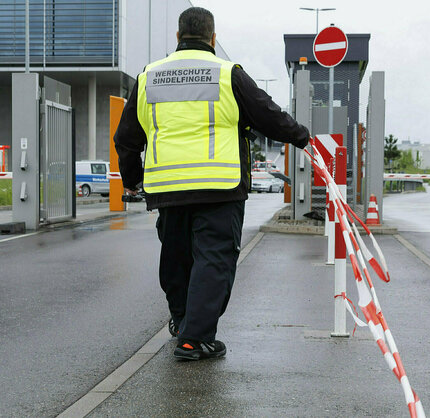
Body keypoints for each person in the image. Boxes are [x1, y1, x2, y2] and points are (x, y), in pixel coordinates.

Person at [114, 7, 310, 360]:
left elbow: (126, 139)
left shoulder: (149, 77)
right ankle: (195, 338)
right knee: (213, 260)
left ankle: (182, 321)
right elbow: (269, 116)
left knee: (176, 258)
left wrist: (134, 181)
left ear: (177, 37)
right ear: (213, 38)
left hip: (168, 189)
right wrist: (304, 138)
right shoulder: (227, 74)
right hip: (219, 186)